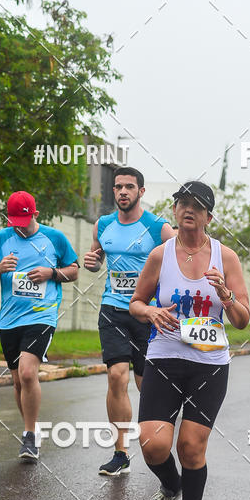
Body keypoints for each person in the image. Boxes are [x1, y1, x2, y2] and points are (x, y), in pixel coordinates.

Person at [129, 181, 250, 500]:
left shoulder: (225, 257)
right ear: (176, 211)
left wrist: (226, 296)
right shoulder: (160, 255)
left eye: (196, 205)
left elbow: (243, 319)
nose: (188, 210)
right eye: (182, 203)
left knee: (191, 447)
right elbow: (135, 302)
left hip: (209, 364)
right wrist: (149, 311)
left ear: (208, 216)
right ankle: (170, 485)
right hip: (165, 358)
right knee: (152, 444)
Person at [83, 167, 174, 476]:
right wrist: (93, 262)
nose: (123, 191)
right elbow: (97, 263)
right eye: (118, 187)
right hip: (113, 309)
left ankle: (158, 439)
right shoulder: (103, 224)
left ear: (141, 192)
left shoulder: (158, 228)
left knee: (144, 383)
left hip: (148, 314)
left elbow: (182, 261)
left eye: (129, 187)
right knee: (116, 377)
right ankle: (120, 452)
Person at [0, 191, 78, 462]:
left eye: (24, 221)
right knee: (16, 380)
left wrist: (51, 273)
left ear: (35, 214)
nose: (19, 227)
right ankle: (32, 430)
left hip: (42, 315)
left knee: (27, 373)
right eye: (15, 222)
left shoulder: (54, 238)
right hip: (10, 319)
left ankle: (29, 436)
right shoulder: (0, 239)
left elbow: (74, 269)